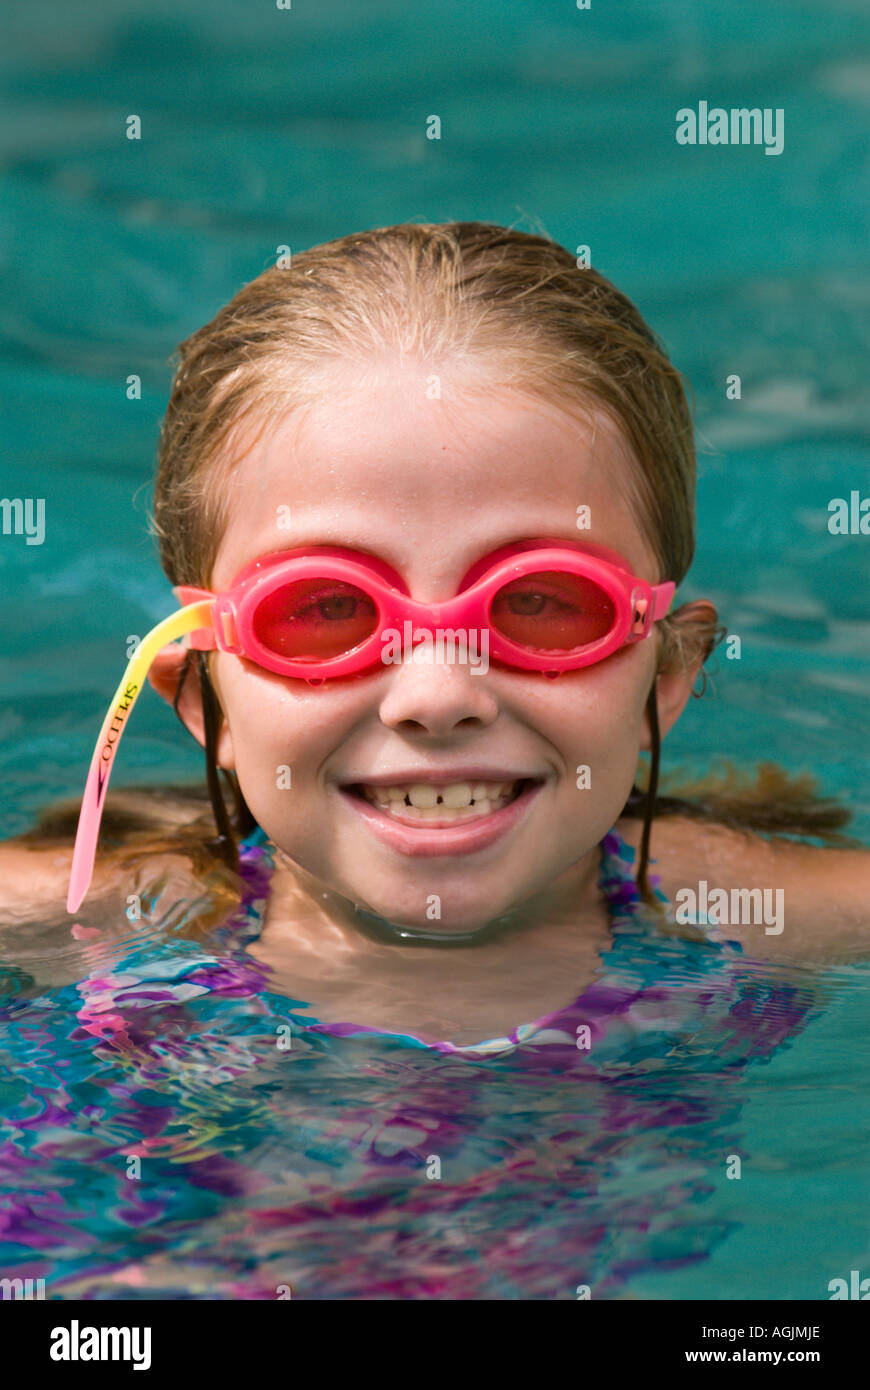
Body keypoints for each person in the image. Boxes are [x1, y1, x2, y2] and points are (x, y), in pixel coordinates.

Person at [3, 220, 868, 1056]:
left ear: (665, 675)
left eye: (540, 602)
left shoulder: (758, 918)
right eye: (325, 611)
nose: (438, 696)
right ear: (203, 698)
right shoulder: (84, 925)